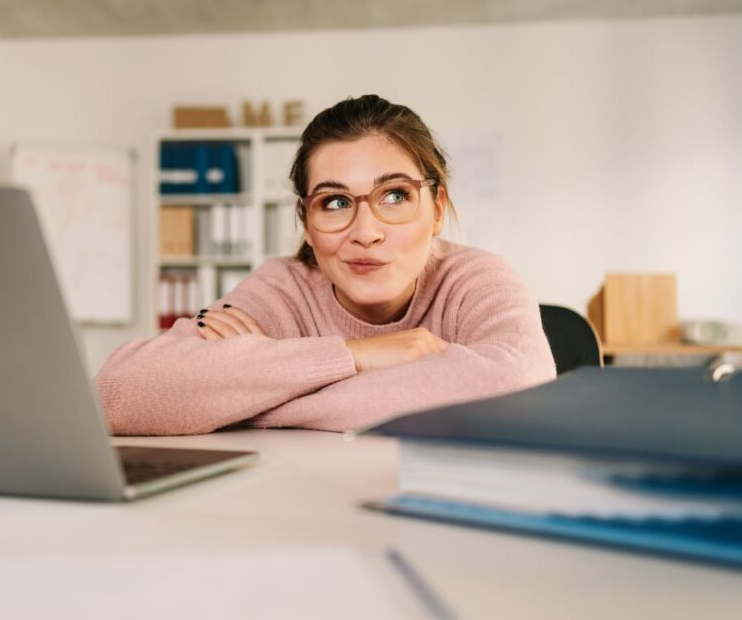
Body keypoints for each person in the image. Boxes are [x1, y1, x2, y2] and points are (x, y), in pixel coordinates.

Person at [95, 95, 556, 435]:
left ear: (437, 208)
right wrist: (355, 357)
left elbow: (522, 388)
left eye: (394, 196)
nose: (365, 231)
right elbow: (115, 393)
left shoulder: (476, 279)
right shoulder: (283, 288)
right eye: (334, 202)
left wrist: (250, 402)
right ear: (307, 222)